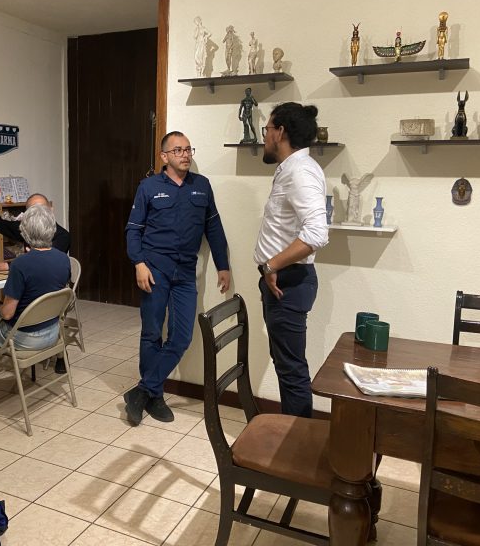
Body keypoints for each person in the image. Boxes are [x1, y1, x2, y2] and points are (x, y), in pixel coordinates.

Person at [124, 131, 231, 425]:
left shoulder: (201, 186)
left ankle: (142, 391)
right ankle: (155, 395)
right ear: (164, 156)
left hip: (185, 272)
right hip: (154, 270)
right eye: (178, 150)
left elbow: (214, 228)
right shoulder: (149, 187)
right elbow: (133, 229)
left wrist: (223, 265)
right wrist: (139, 263)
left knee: (182, 336)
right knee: (151, 333)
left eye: (188, 149)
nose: (185, 155)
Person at [255, 103, 328, 417]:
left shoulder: (300, 172)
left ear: (280, 132)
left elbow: (317, 234)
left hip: (288, 282)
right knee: (287, 366)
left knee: (291, 370)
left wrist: (272, 265)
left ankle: (298, 440)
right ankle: (293, 434)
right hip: (283, 281)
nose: (265, 137)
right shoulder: (292, 169)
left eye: (267, 129)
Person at [0, 203, 71, 377]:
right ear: (52, 228)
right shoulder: (63, 259)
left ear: (24, 232)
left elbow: (7, 314)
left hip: (25, 338)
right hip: (53, 333)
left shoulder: (21, 264)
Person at [0, 177, 70, 262]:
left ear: (51, 210)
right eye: (33, 210)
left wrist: (6, 266)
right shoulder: (25, 228)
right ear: (26, 215)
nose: (38, 213)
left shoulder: (62, 236)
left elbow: (44, 262)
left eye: (42, 208)